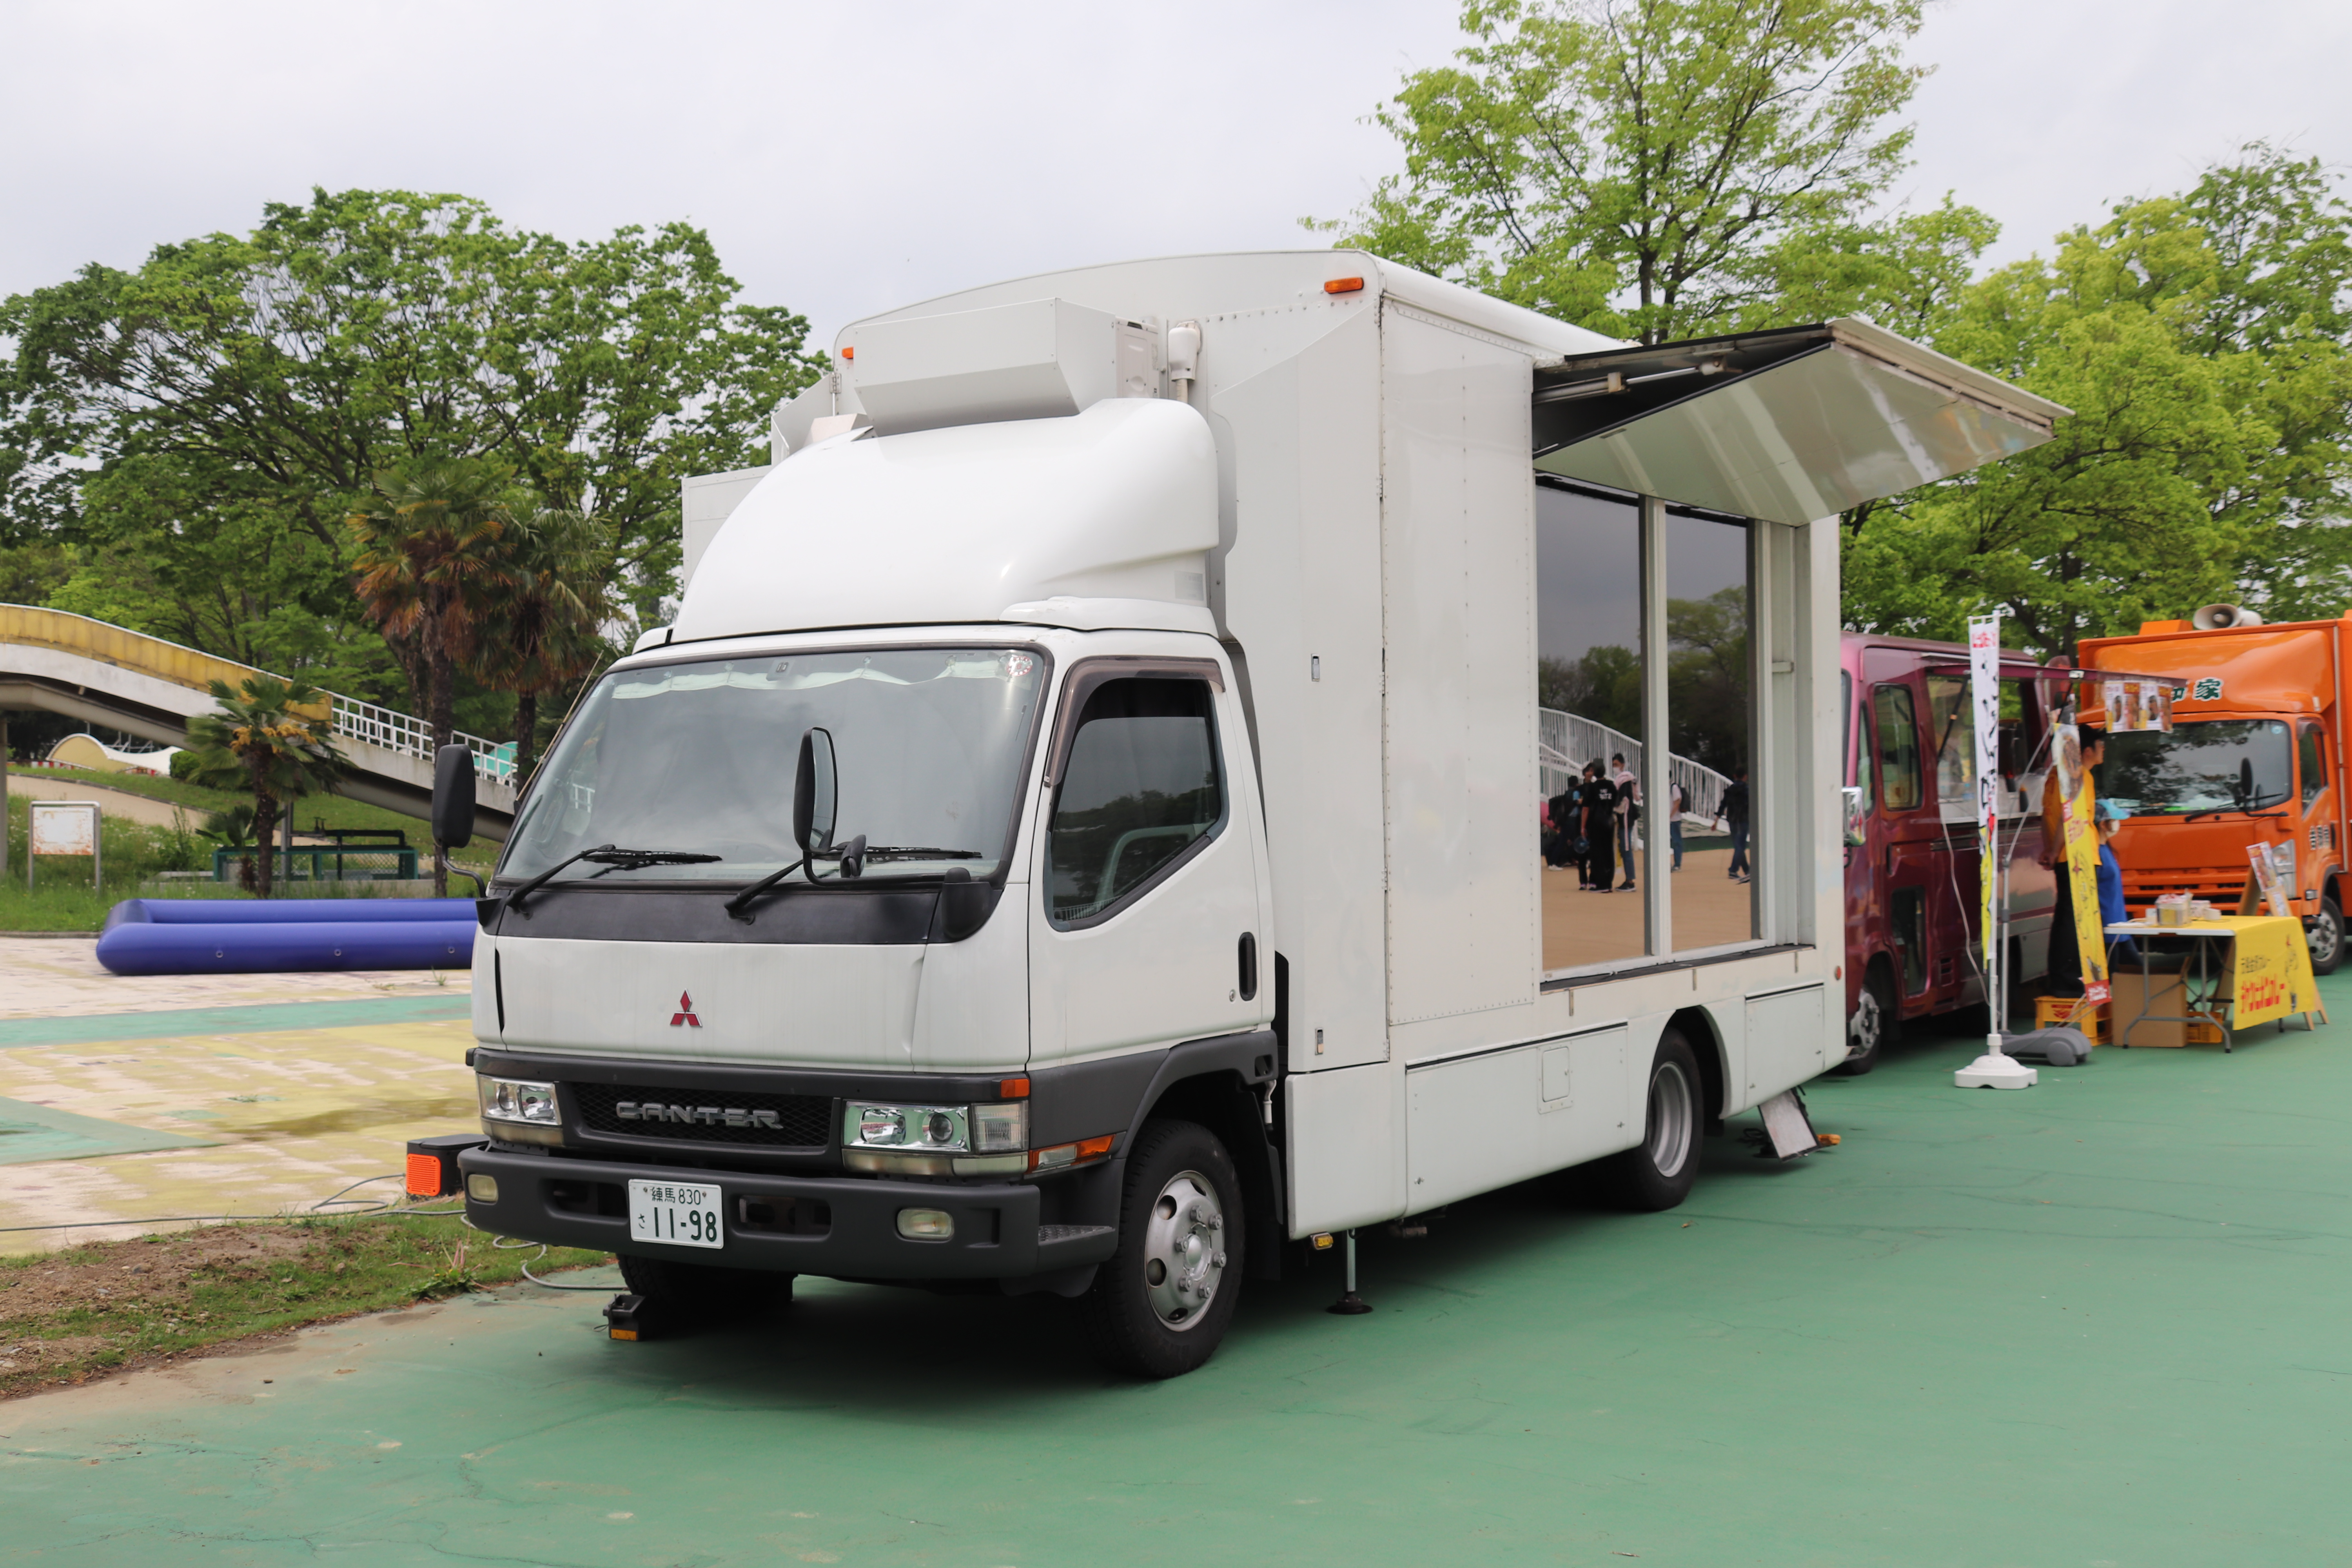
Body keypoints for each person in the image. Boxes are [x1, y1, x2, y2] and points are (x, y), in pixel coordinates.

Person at [2041, 726, 2105, 993]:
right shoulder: (2080, 777)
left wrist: (2051, 852)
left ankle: (2064, 977)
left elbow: (2047, 816)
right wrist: (2055, 852)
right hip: (2079, 856)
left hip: (2071, 856)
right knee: (2075, 919)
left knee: (2066, 918)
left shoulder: (2056, 775)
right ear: (2086, 751)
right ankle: (2069, 980)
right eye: (2101, 747)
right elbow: (2072, 819)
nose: (2104, 752)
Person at [1581, 760, 1619, 893]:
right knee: (1609, 851)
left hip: (1595, 823)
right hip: (1609, 823)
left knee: (1597, 853)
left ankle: (1600, 884)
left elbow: (1586, 808)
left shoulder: (1592, 788)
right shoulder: (1611, 785)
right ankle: (1609, 882)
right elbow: (1616, 802)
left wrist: (1582, 827)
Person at [1610, 752, 1639, 891]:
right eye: (1613, 765)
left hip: (1626, 817)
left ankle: (1630, 881)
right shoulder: (1626, 780)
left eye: (1616, 765)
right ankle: (1629, 879)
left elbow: (1624, 799)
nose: (1615, 767)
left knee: (1626, 848)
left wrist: (1614, 808)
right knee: (1624, 848)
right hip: (1625, 817)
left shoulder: (1625, 780)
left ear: (1622, 764)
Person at [1723, 766, 1751, 882]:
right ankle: (1733, 870)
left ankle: (1748, 870)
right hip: (1743, 820)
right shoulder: (1747, 790)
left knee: (1738, 845)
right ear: (1745, 777)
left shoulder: (1730, 790)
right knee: (1741, 846)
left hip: (1732, 820)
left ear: (1735, 776)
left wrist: (1717, 817)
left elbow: (1723, 804)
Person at [1667, 778, 1685, 871]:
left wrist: (1670, 816)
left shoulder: (1673, 787)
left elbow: (1677, 801)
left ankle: (1677, 864)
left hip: (1674, 820)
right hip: (1667, 820)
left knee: (1676, 842)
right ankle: (1667, 863)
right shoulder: (1664, 788)